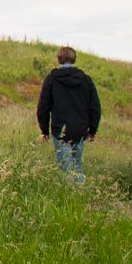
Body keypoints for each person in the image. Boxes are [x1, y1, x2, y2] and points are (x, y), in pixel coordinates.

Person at [37, 45, 100, 183]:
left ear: (59, 59)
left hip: (60, 130)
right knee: (77, 166)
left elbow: (43, 106)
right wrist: (92, 130)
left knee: (66, 170)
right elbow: (95, 107)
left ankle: (71, 200)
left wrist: (44, 130)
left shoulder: (52, 79)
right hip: (80, 130)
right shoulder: (86, 80)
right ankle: (80, 197)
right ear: (74, 59)